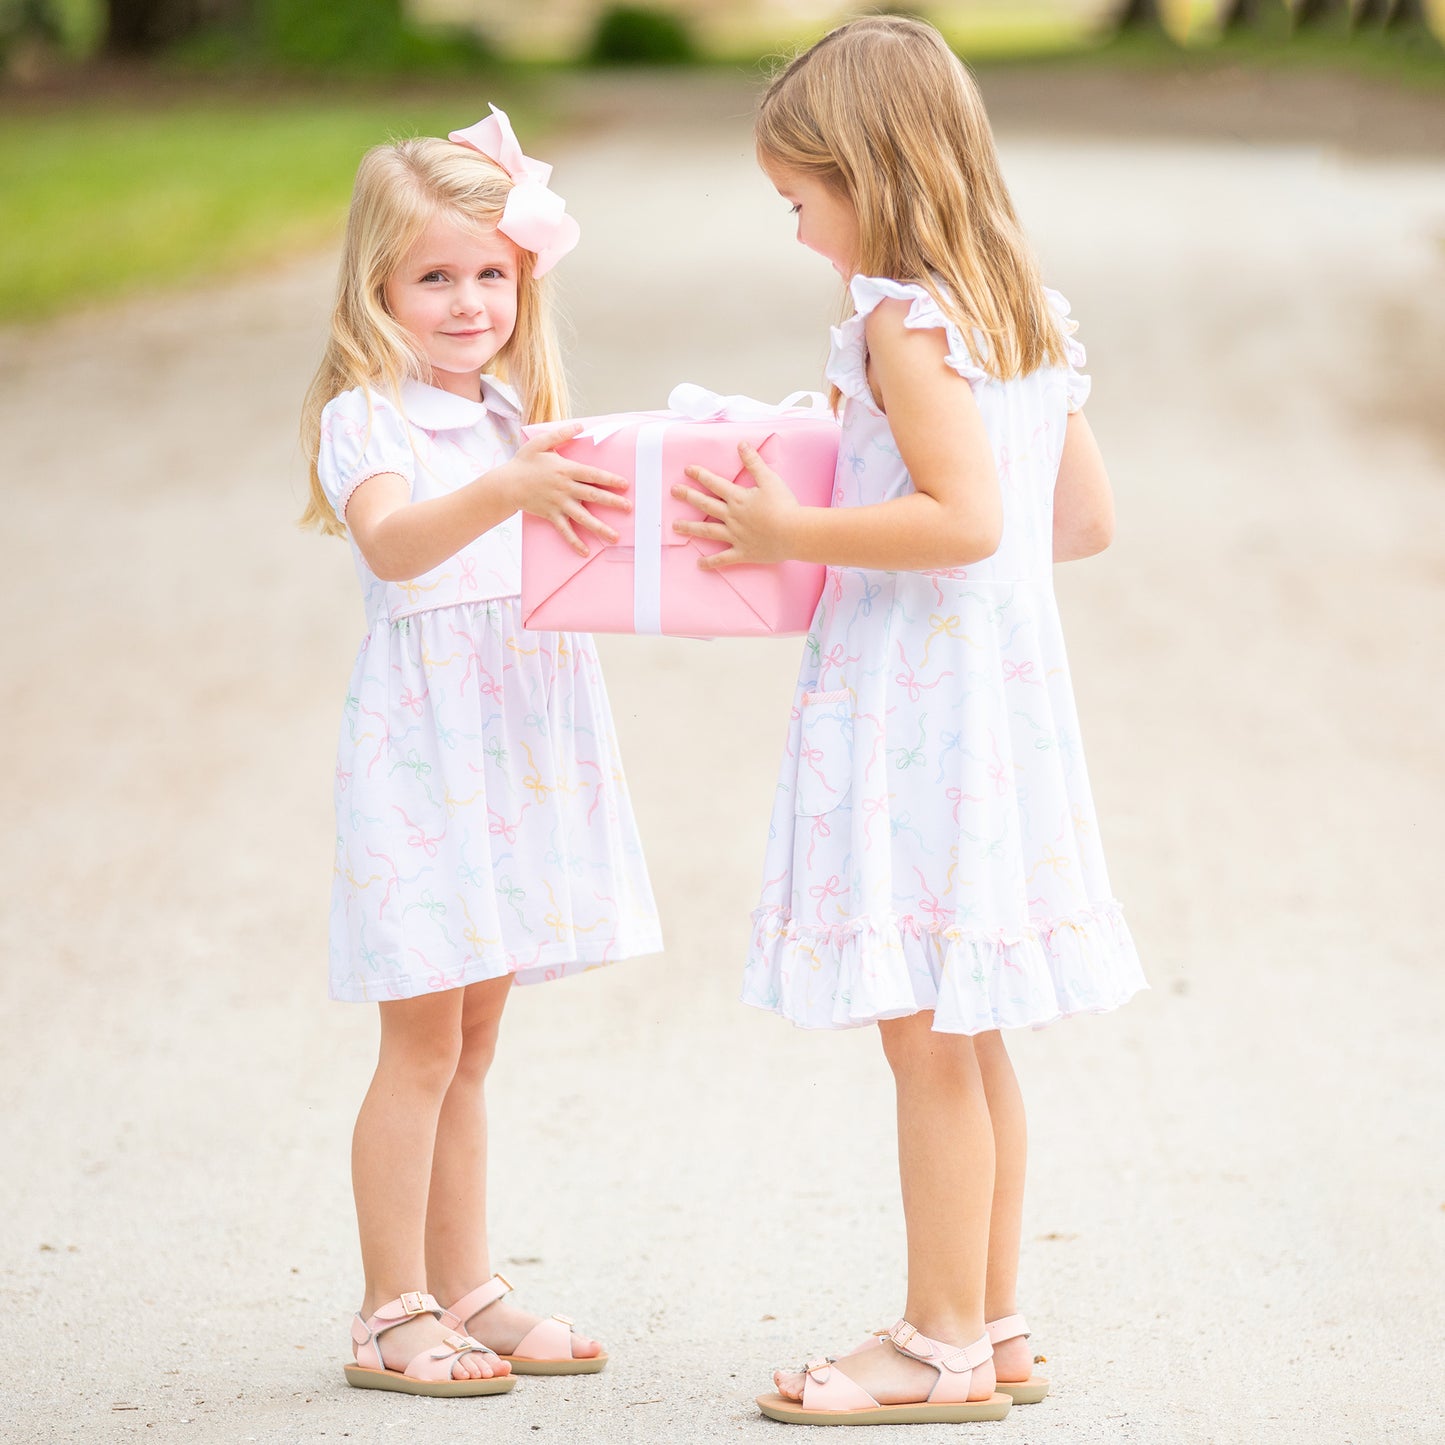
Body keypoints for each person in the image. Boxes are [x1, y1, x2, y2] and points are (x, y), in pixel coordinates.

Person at [672, 18, 1146, 1426]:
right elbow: (1080, 521)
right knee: (969, 1023)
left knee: (924, 1039)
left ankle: (935, 1340)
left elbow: (962, 519)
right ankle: (992, 1322)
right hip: (998, 700)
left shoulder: (901, 317)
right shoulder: (1019, 311)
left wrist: (789, 524)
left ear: (866, 172)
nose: (797, 227)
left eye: (799, 197)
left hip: (914, 704)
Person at [298, 106, 662, 1398]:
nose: (465, 302)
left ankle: (467, 1283)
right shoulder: (368, 417)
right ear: (379, 286)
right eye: (433, 277)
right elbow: (396, 547)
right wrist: (510, 489)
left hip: (516, 740)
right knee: (418, 1042)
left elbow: (563, 556)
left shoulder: (518, 411)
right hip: (428, 753)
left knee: (476, 1041)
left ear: (525, 280)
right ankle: (388, 1306)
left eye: (489, 274)